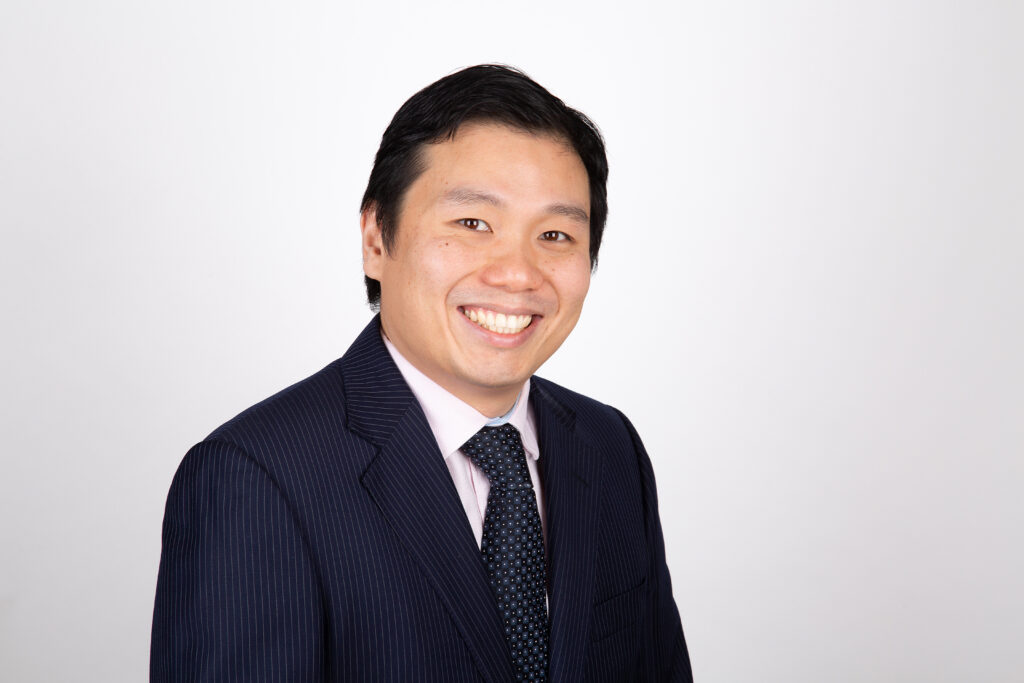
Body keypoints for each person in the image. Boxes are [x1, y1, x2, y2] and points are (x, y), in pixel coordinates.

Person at [151, 64, 693, 683]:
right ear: (376, 239)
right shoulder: (254, 477)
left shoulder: (608, 445)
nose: (518, 274)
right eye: (472, 224)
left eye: (554, 233)